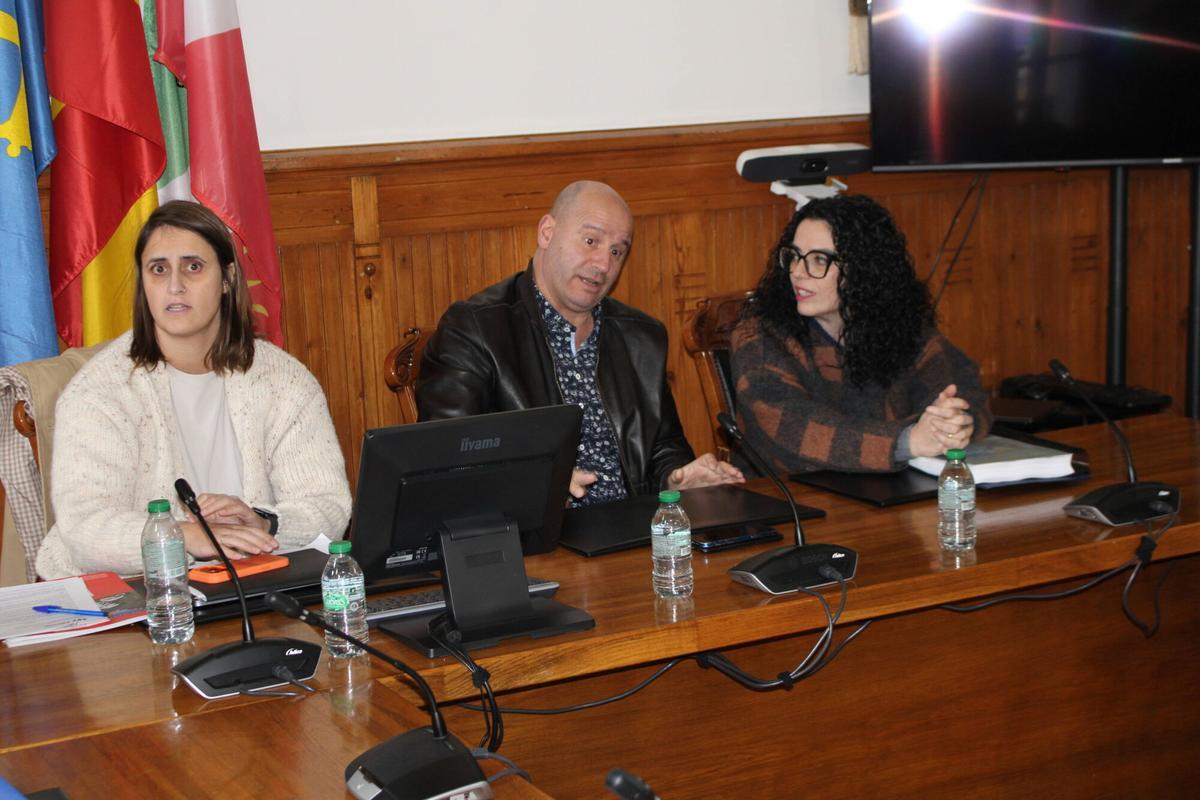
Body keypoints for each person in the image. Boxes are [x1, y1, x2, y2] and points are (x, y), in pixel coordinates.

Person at [36, 201, 351, 579]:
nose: (175, 285)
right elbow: (84, 530)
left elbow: (328, 505)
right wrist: (184, 536)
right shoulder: (99, 392)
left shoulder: (285, 381)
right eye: (158, 269)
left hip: (251, 585)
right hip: (123, 597)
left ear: (227, 279)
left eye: (193, 266)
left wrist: (264, 522)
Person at [417, 180, 743, 505]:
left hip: (634, 532)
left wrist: (678, 477)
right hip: (538, 541)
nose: (604, 264)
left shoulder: (641, 336)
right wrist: (535, 481)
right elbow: (445, 459)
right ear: (547, 232)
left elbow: (663, 448)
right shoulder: (476, 328)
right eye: (591, 240)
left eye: (617, 251)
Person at [730, 194, 991, 474]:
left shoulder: (900, 327)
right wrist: (907, 441)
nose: (797, 272)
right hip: (791, 502)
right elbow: (791, 427)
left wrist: (957, 422)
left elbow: (962, 385)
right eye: (793, 256)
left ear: (863, 270)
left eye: (819, 260)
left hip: (891, 496)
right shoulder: (758, 335)